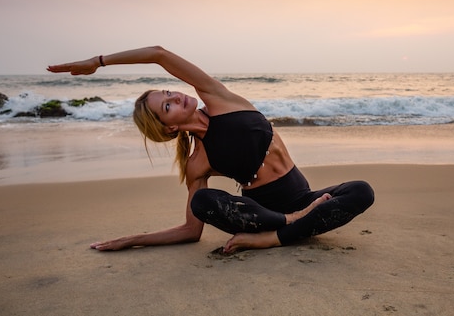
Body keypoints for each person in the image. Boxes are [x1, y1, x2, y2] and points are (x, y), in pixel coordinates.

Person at [47, 46, 374, 253]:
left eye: (169, 92)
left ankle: (275, 238)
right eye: (168, 106)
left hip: (302, 200)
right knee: (203, 200)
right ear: (169, 127)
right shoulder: (197, 162)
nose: (177, 96)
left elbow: (159, 54)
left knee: (361, 191)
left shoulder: (219, 99)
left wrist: (99, 62)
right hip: (264, 215)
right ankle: (288, 226)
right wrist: (134, 239)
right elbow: (192, 230)